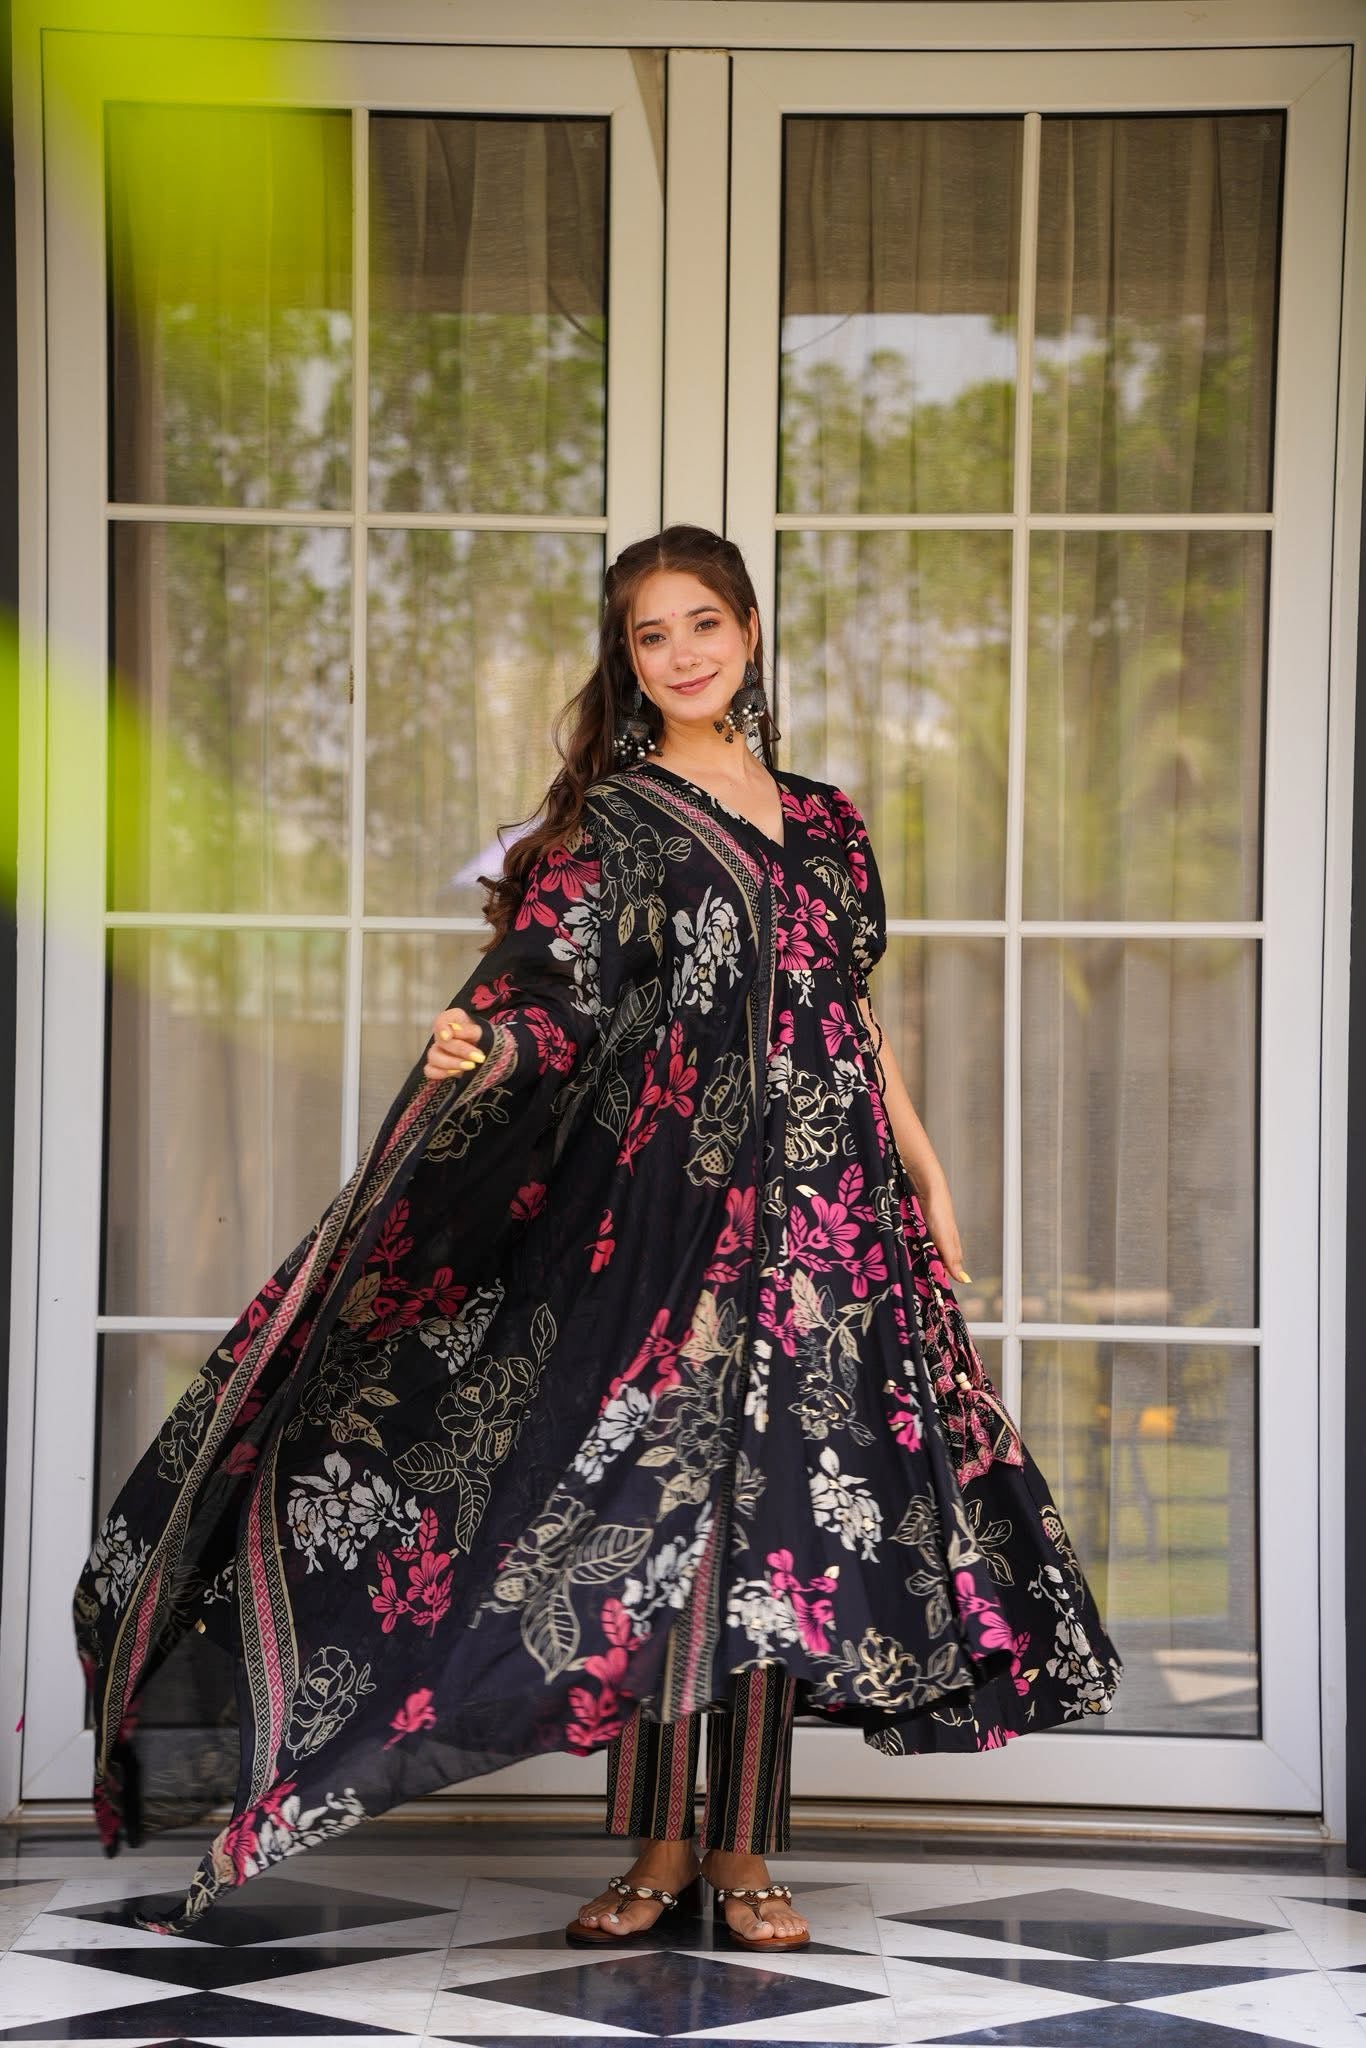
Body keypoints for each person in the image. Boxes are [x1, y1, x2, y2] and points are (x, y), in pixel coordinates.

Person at [73, 525, 1121, 1945]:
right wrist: (483, 1044)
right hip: (676, 1221)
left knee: (782, 1535)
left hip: (832, 1218)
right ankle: (658, 1851)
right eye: (650, 634)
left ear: (749, 631)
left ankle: (743, 1856)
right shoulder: (618, 823)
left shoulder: (830, 823)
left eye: (703, 623)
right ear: (626, 659)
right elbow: (550, 996)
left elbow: (852, 1019)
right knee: (655, 1520)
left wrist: (924, 1176)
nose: (682, 653)